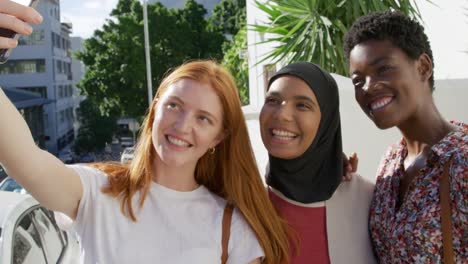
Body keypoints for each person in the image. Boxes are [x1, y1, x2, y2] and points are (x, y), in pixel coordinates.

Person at [0, 3, 291, 263]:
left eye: (203, 118)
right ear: (154, 113)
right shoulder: (96, 192)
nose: (182, 125)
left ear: (219, 137)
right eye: (174, 106)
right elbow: (25, 160)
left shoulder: (232, 226)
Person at [344, 11, 467, 263]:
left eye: (384, 69)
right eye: (358, 81)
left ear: (422, 67)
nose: (368, 87)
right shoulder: (390, 162)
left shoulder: (462, 162)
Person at [259, 62, 376, 264]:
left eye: (302, 105)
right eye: (272, 100)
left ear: (326, 122)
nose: (281, 114)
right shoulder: (246, 203)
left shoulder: (369, 201)